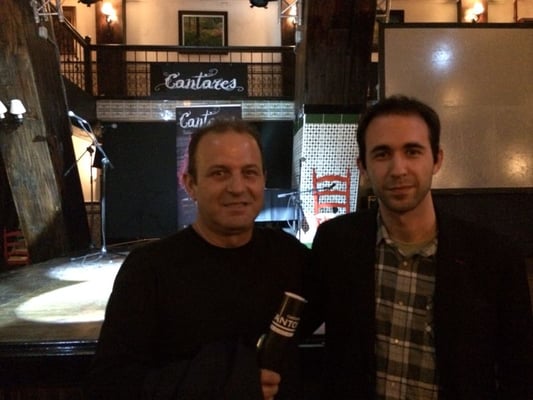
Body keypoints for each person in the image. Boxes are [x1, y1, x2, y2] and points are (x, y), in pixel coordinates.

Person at [303, 95, 532, 399]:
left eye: (412, 151)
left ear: (437, 160)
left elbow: (520, 370)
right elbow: (297, 321)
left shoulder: (494, 258)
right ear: (363, 167)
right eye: (382, 154)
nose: (398, 169)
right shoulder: (337, 242)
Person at [85, 119, 309, 400]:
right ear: (190, 184)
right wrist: (226, 381)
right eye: (219, 173)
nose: (237, 187)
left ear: (263, 179)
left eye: (249, 172)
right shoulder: (148, 270)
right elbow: (109, 383)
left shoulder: (290, 256)